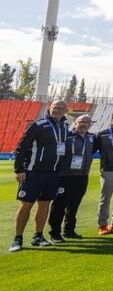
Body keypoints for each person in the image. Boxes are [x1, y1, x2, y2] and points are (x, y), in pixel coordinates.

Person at [10, 100, 69, 252]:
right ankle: (17, 238)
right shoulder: (37, 125)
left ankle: (38, 236)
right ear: (50, 108)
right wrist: (19, 170)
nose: (58, 110)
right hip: (33, 171)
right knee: (26, 204)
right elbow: (21, 147)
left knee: (45, 204)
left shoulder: (65, 126)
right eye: (55, 107)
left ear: (66, 110)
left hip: (53, 173)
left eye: (61, 108)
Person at [48, 114, 94, 243]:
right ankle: (54, 232)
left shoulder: (91, 138)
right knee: (59, 205)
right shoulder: (67, 137)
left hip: (82, 176)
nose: (83, 124)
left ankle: (69, 230)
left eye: (86, 122)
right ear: (75, 123)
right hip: (65, 176)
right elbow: (58, 153)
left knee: (74, 205)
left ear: (90, 124)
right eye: (81, 122)